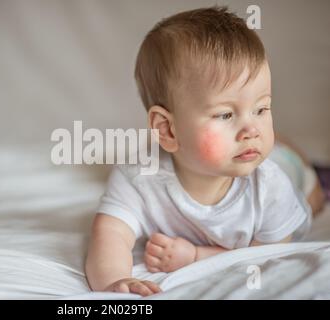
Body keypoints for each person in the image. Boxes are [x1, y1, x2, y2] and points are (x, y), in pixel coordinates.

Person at [85, 6, 325, 297]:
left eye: (261, 109)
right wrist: (116, 280)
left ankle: (297, 157)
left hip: (284, 167)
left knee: (312, 197)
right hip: (247, 157)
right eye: (225, 115)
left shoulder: (271, 187)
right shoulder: (139, 177)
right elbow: (110, 234)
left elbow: (267, 254)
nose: (252, 128)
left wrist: (197, 255)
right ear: (168, 130)